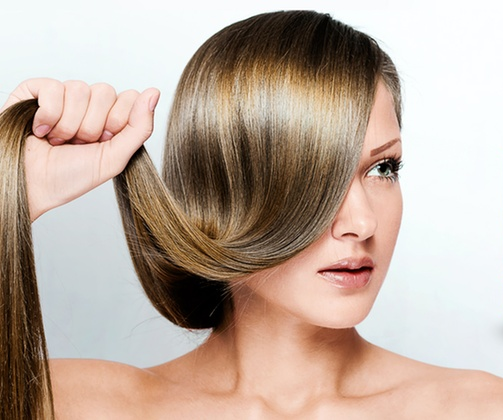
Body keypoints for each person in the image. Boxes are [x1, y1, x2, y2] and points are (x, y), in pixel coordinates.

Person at [2, 10, 503, 419]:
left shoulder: (479, 409)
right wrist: (17, 192)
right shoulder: (68, 405)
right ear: (218, 190)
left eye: (382, 168)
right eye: (315, 175)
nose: (363, 223)